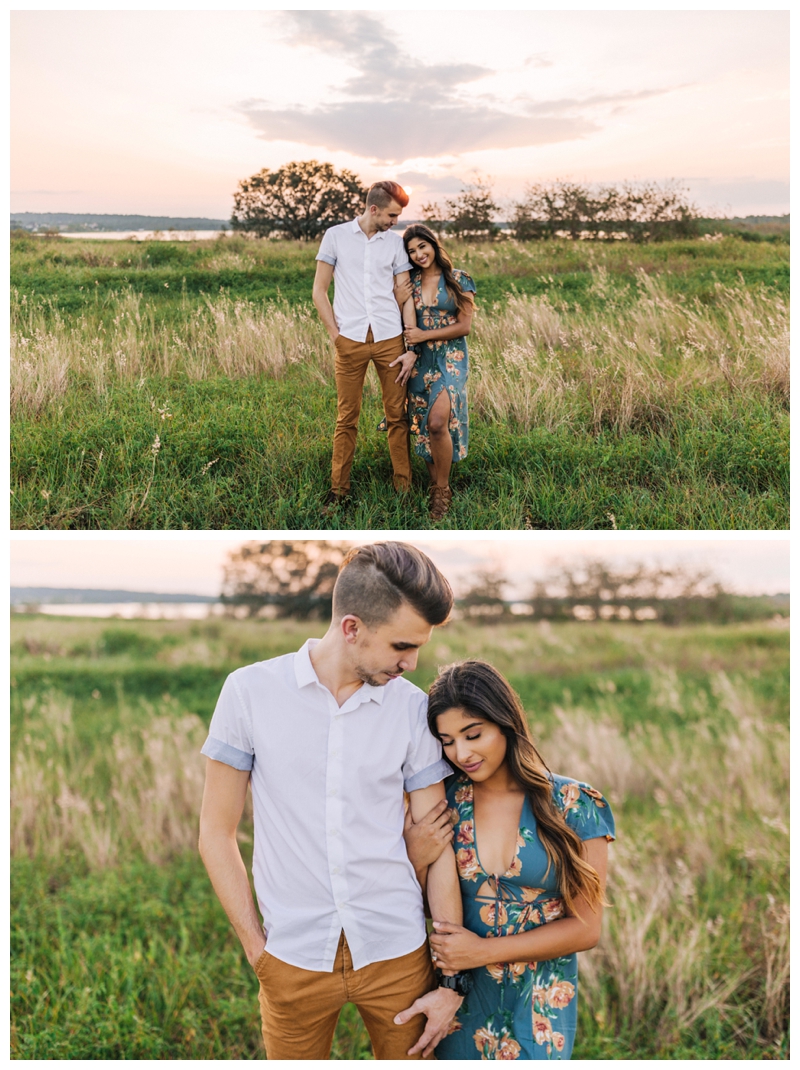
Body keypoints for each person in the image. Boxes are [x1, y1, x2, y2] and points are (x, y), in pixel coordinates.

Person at [198, 542, 467, 1060]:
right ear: (352, 628)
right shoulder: (248, 692)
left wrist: (449, 978)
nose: (412, 664)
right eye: (401, 647)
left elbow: (438, 846)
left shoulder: (413, 709)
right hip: (292, 959)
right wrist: (258, 952)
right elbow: (215, 832)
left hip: (398, 953)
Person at [416, 659, 615, 1060]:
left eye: (473, 734)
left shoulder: (576, 805)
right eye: (447, 740)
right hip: (458, 999)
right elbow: (420, 904)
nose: (461, 753)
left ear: (505, 722)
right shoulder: (445, 800)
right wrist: (416, 854)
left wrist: (483, 952)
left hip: (540, 1005)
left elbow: (586, 929)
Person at [312, 183, 420, 512]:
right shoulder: (336, 236)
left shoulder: (396, 244)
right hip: (350, 341)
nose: (395, 222)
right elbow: (319, 291)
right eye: (391, 215)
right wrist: (336, 336)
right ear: (374, 209)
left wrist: (410, 341)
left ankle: (403, 489)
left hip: (390, 341)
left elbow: (404, 294)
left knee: (397, 417)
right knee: (347, 418)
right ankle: (338, 490)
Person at [394, 224, 476, 521]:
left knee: (439, 421)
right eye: (411, 251)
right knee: (425, 423)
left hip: (450, 358)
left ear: (433, 244)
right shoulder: (411, 282)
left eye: (421, 247)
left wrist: (424, 336)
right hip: (420, 359)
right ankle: (434, 484)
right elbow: (405, 320)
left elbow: (464, 326)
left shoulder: (459, 278)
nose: (418, 255)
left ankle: (442, 491)